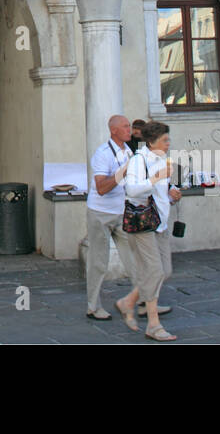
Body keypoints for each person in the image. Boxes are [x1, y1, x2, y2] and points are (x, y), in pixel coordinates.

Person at [117, 121, 183, 341]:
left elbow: (161, 188)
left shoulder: (161, 159)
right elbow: (131, 190)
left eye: (168, 139)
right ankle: (154, 325)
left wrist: (172, 190)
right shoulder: (138, 160)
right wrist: (156, 178)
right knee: (154, 272)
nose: (168, 143)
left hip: (160, 223)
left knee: (164, 271)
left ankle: (128, 301)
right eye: (165, 140)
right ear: (152, 141)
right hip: (143, 223)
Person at [85, 114, 136, 321]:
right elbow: (101, 187)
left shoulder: (129, 151)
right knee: (99, 262)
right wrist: (122, 173)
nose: (129, 130)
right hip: (100, 213)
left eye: (129, 126)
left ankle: (145, 300)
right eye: (125, 126)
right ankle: (93, 306)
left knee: (134, 258)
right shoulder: (103, 154)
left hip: (122, 212)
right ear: (113, 130)